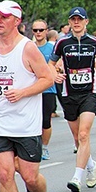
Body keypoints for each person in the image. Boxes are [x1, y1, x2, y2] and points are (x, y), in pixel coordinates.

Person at [0, 0, 60, 192]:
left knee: (30, 178)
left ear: (16, 21)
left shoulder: (28, 48)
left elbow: (47, 78)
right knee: (4, 175)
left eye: (3, 17)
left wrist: (23, 92)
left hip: (26, 124)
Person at [49, 6, 96, 192]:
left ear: (86, 22)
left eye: (79, 19)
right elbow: (50, 63)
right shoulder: (62, 43)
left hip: (90, 92)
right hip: (69, 93)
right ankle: (91, 166)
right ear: (69, 22)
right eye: (73, 19)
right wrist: (54, 75)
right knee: (76, 138)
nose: (76, 22)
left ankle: (76, 177)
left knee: (83, 135)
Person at [32, 20, 57, 161]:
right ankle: (34, 146)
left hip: (48, 90)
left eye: (41, 30)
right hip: (32, 90)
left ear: (46, 31)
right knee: (32, 120)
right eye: (35, 30)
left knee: (45, 121)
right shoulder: (29, 47)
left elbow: (59, 63)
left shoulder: (52, 48)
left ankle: (44, 147)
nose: (38, 33)